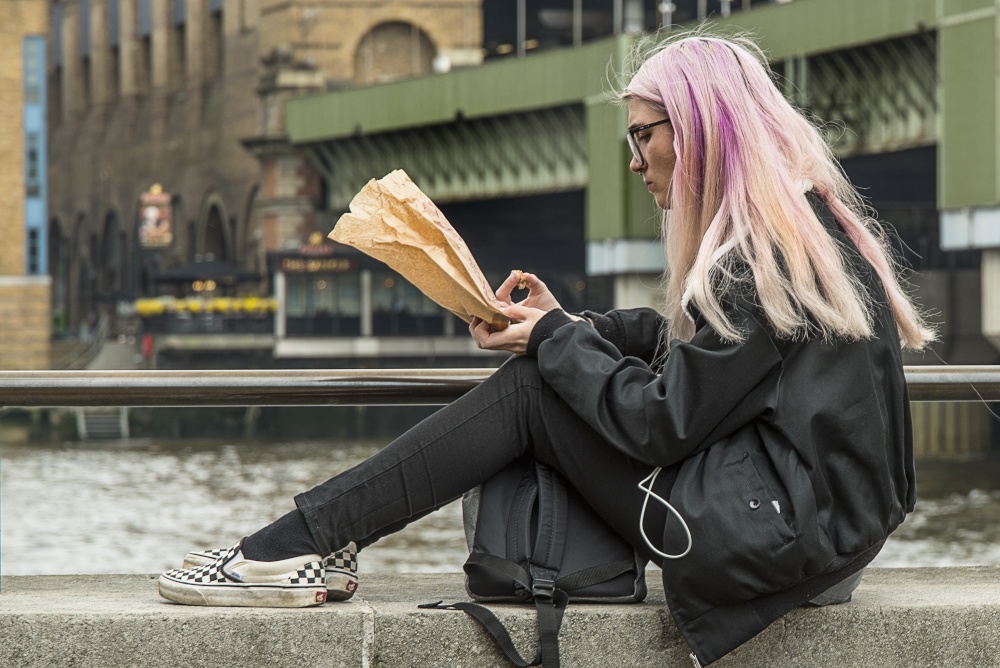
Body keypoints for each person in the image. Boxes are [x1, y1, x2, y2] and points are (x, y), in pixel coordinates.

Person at [158, 32, 934, 665]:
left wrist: (558, 343)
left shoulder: (754, 260)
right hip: (820, 538)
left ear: (701, 129)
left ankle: (298, 544)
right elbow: (718, 358)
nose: (634, 161)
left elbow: (659, 424)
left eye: (643, 135)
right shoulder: (804, 237)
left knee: (532, 391)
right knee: (547, 368)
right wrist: (575, 327)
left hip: (779, 541)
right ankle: (309, 540)